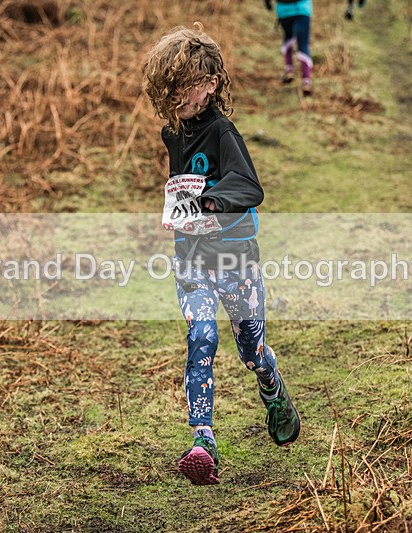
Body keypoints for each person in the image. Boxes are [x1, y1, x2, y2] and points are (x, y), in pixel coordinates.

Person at [142, 23, 301, 486]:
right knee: (203, 338)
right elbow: (184, 184)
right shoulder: (174, 132)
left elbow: (250, 187)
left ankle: (272, 389)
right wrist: (181, 208)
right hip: (191, 257)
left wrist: (210, 201)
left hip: (237, 261)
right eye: (169, 86)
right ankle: (202, 440)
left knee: (251, 351)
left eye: (184, 85)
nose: (176, 95)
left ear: (210, 85)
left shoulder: (223, 131)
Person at [265, 0, 314, 96]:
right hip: (302, 9)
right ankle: (306, 81)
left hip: (284, 11)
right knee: (303, 45)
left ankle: (289, 69)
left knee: (288, 37)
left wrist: (267, 3)